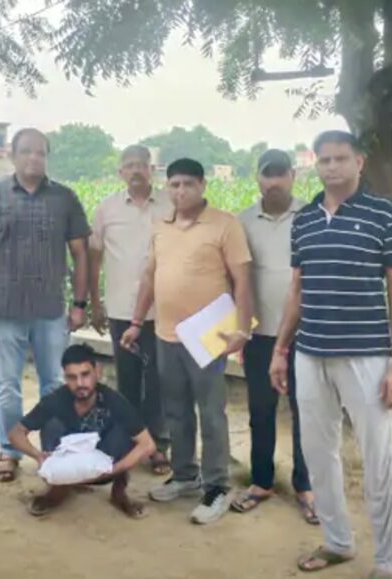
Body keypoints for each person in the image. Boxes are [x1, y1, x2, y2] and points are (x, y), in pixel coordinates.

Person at [269, 131, 392, 578]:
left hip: (366, 357)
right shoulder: (305, 219)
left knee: (378, 460)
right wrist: (280, 349)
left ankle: (387, 563)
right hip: (310, 354)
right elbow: (297, 290)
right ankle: (338, 541)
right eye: (324, 159)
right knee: (317, 452)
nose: (331, 167)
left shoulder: (385, 215)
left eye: (340, 159)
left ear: (359, 162)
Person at [121, 158, 253, 525]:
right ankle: (184, 474)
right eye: (174, 184)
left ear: (202, 185)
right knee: (175, 410)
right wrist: (135, 322)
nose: (180, 191)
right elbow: (150, 277)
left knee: (211, 413)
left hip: (209, 335)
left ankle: (217, 487)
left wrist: (241, 330)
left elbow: (242, 279)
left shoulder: (225, 225)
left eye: (188, 185)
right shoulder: (160, 227)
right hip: (167, 334)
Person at [0, 128, 91, 483]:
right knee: (7, 385)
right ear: (12, 155)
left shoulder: (64, 198)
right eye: (26, 151)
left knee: (54, 384)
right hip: (6, 309)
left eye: (40, 152)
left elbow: (80, 254)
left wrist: (80, 303)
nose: (34, 158)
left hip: (50, 310)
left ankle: (53, 450)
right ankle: (9, 450)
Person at [231, 150, 317, 524]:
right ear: (258, 179)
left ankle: (306, 486)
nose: (275, 181)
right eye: (268, 175)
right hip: (259, 335)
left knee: (307, 413)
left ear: (293, 176)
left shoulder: (313, 217)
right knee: (260, 413)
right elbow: (235, 280)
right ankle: (261, 481)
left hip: (306, 334)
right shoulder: (243, 222)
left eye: (281, 174)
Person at [89, 144, 172, 476]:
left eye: (142, 165)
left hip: (164, 310)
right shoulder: (106, 209)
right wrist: (95, 302)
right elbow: (94, 259)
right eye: (130, 166)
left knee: (158, 381)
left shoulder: (170, 205)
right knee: (128, 379)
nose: (136, 170)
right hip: (122, 310)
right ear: (121, 172)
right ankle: (130, 441)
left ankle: (158, 446)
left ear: (152, 170)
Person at [8, 344, 156, 518]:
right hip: (67, 467)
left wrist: (116, 469)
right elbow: (16, 433)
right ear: (65, 377)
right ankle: (58, 488)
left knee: (125, 432)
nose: (79, 383)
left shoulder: (114, 400)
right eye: (72, 377)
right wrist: (38, 456)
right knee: (51, 424)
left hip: (107, 468)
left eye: (85, 375)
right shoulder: (56, 399)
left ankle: (119, 490)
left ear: (97, 372)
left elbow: (148, 445)